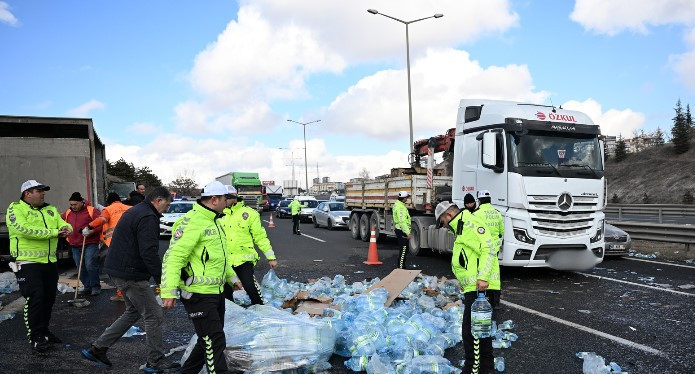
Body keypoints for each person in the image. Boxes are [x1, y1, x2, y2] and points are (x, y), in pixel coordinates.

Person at [81, 187, 180, 372]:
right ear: (158, 200)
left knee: (133, 312)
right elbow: (149, 253)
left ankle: (98, 348)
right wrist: (162, 281)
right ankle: (155, 361)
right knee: (154, 316)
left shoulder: (135, 210)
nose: (166, 209)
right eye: (167, 204)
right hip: (131, 274)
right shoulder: (147, 217)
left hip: (118, 270)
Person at [161, 181, 237, 374]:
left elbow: (220, 257)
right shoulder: (192, 222)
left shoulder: (214, 220)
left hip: (215, 292)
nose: (227, 202)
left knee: (207, 340)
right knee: (214, 341)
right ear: (214, 199)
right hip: (197, 294)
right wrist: (168, 291)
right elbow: (173, 257)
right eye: (225, 199)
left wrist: (233, 278)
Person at [6, 180, 72, 352]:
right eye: (39, 191)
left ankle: (44, 331)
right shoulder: (15, 208)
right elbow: (23, 229)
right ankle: (35, 337)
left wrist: (66, 228)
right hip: (27, 262)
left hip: (49, 262)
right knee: (35, 298)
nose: (43, 193)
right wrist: (54, 233)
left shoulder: (50, 209)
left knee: (48, 300)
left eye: (43, 191)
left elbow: (61, 222)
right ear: (27, 193)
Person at [435, 201, 500, 374]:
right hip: (475, 288)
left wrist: (483, 277)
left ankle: (472, 369)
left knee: (472, 334)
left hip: (481, 289)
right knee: (480, 333)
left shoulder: (470, 224)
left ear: (448, 216)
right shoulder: (463, 226)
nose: (445, 227)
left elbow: (489, 248)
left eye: (442, 222)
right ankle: (486, 369)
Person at [221, 186, 277, 305]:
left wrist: (271, 257)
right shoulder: (218, 214)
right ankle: (230, 317)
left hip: (244, 259)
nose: (223, 201)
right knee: (225, 292)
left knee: (250, 286)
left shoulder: (250, 214)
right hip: (224, 260)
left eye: (225, 198)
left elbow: (260, 237)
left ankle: (260, 310)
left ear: (234, 197)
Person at [82, 192, 131, 301]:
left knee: (115, 271)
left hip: (115, 244)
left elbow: (102, 220)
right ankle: (132, 294)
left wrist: (89, 227)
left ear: (109, 202)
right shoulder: (130, 208)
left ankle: (122, 294)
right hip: (131, 243)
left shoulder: (108, 209)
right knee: (128, 269)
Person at [61, 192, 103, 296]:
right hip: (74, 244)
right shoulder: (68, 212)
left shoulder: (92, 210)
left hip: (90, 243)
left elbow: (101, 224)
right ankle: (87, 286)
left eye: (75, 204)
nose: (72, 206)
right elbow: (59, 220)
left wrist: (91, 231)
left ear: (81, 202)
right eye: (71, 204)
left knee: (90, 264)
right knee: (80, 266)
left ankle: (95, 286)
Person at [392, 191, 411, 269]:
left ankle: (401, 266)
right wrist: (407, 233)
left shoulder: (397, 204)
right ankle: (401, 267)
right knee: (404, 250)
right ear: (403, 198)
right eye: (406, 197)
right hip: (402, 231)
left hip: (400, 230)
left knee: (404, 249)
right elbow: (402, 221)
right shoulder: (401, 207)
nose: (407, 199)